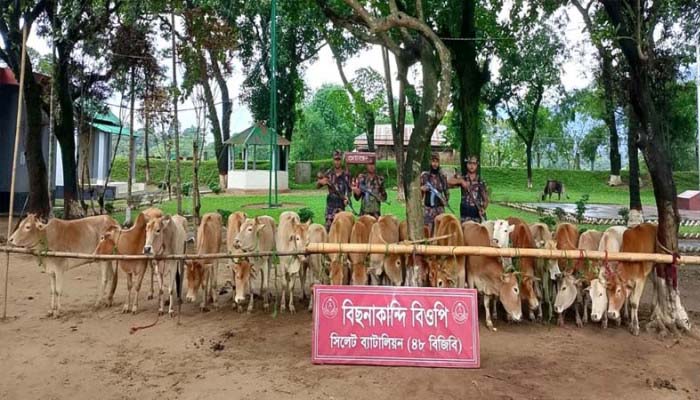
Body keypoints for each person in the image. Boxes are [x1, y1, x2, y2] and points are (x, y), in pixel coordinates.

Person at [317, 150, 352, 231]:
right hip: (330, 206)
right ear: (333, 160)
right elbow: (318, 186)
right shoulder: (328, 173)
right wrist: (320, 182)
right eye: (335, 159)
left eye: (339, 160)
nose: (337, 162)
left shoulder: (346, 175)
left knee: (341, 229)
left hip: (341, 205)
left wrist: (347, 199)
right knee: (328, 228)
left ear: (341, 160)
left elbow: (349, 191)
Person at [449, 155, 489, 223]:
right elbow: (449, 181)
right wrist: (461, 181)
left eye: (474, 163)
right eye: (470, 163)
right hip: (464, 215)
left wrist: (483, 208)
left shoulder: (481, 181)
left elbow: (486, 200)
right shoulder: (463, 178)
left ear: (477, 165)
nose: (472, 166)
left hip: (476, 215)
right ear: (467, 164)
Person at [420, 152, 449, 233]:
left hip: (439, 210)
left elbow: (447, 193)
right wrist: (421, 189)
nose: (435, 164)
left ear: (439, 163)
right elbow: (418, 194)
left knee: (440, 232)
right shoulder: (424, 176)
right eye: (433, 161)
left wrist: (445, 200)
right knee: (427, 232)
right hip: (428, 210)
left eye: (436, 161)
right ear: (430, 162)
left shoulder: (442, 176)